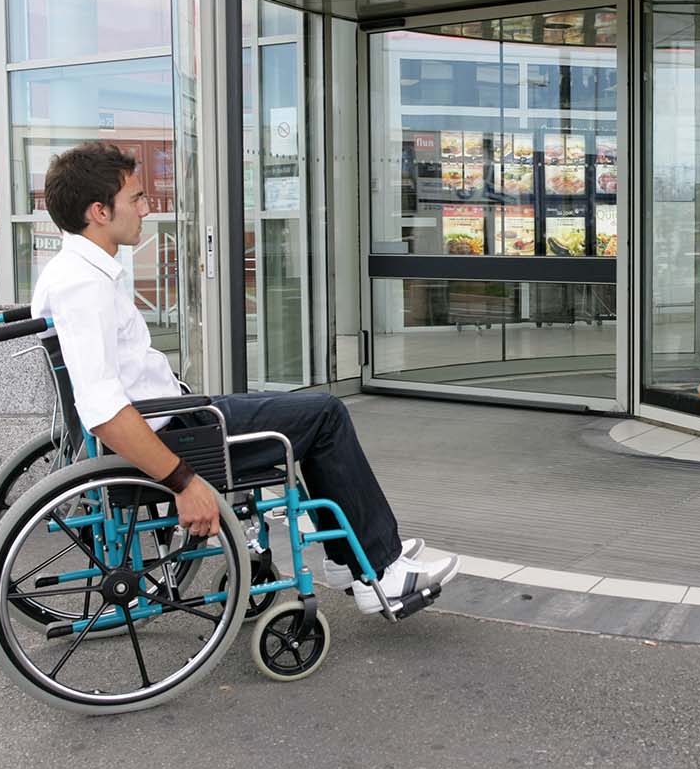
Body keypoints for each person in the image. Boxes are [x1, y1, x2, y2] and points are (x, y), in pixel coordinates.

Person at [31, 142, 458, 614]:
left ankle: (349, 558)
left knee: (303, 414)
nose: (147, 209)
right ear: (99, 211)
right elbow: (104, 411)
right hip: (175, 436)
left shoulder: (69, 271)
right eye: (135, 199)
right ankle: (380, 571)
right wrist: (185, 483)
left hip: (174, 416)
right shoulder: (84, 286)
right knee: (325, 415)